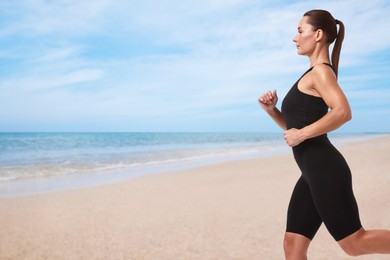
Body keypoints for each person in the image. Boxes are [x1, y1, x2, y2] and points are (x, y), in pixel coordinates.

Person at [258, 9, 390, 259]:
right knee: (293, 245)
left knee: (354, 243)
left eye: (299, 31)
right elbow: (295, 128)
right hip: (310, 174)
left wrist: (302, 134)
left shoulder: (321, 71)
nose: (294, 38)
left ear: (317, 34)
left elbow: (342, 112)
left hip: (325, 169)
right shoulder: (312, 74)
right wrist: (272, 110)